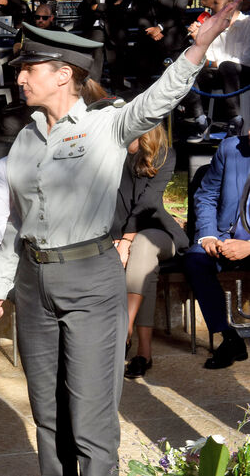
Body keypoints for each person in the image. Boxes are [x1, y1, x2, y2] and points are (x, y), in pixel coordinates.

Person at [0, 0, 245, 473]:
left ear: (64, 74)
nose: (18, 77)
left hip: (89, 280)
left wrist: (197, 50)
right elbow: (19, 222)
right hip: (33, 286)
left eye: (29, 69)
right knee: (47, 415)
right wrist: (0, 286)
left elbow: (156, 100)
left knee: (91, 421)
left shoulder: (108, 124)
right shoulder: (26, 135)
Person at [111, 124, 188, 378]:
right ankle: (144, 353)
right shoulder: (113, 153)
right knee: (143, 265)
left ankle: (125, 332)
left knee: (142, 245)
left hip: (161, 232)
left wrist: (126, 239)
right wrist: (115, 238)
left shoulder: (165, 154)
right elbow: (105, 200)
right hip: (127, 239)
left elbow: (149, 203)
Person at [184, 126, 250, 369]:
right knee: (195, 260)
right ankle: (229, 337)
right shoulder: (229, 148)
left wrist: (249, 247)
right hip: (224, 237)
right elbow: (207, 195)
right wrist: (208, 236)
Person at [183, 0, 250, 141]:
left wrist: (217, 63)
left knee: (228, 66)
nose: (211, 7)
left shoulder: (248, 23)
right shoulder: (212, 25)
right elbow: (206, 59)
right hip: (220, 73)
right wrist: (197, 39)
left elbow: (246, 60)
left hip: (243, 74)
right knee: (190, 69)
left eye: (216, 3)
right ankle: (200, 120)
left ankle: (235, 121)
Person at [132, 0, 188, 88]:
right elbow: (137, 10)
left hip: (171, 40)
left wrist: (160, 27)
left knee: (172, 82)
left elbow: (179, 12)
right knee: (143, 83)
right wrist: (149, 28)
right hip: (147, 39)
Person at [77, 0, 130, 89]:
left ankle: (117, 91)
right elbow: (82, 9)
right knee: (94, 63)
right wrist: (110, 7)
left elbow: (121, 8)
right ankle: (94, 91)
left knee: (116, 64)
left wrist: (97, 6)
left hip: (115, 31)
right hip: (95, 29)